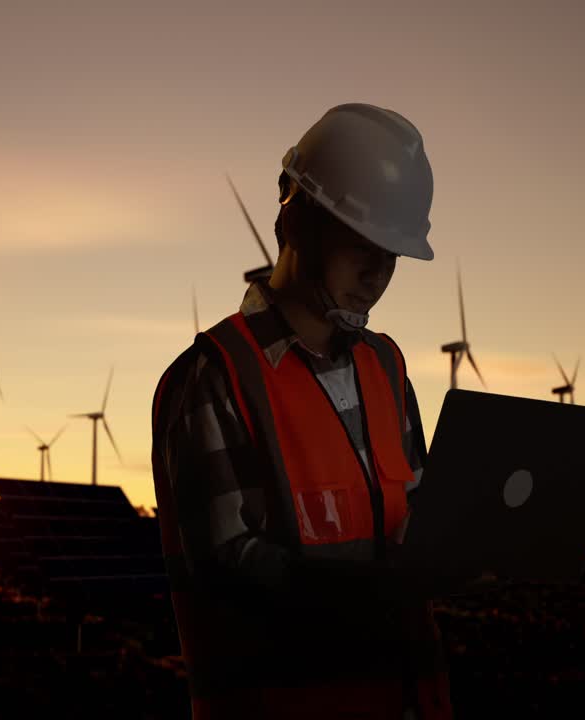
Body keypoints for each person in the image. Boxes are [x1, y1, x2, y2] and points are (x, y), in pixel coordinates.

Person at [151, 103, 453, 719]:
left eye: (392, 254)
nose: (377, 274)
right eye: (361, 246)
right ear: (298, 222)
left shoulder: (387, 368)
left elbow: (414, 520)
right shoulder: (216, 376)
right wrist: (383, 589)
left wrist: (472, 548)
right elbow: (231, 569)